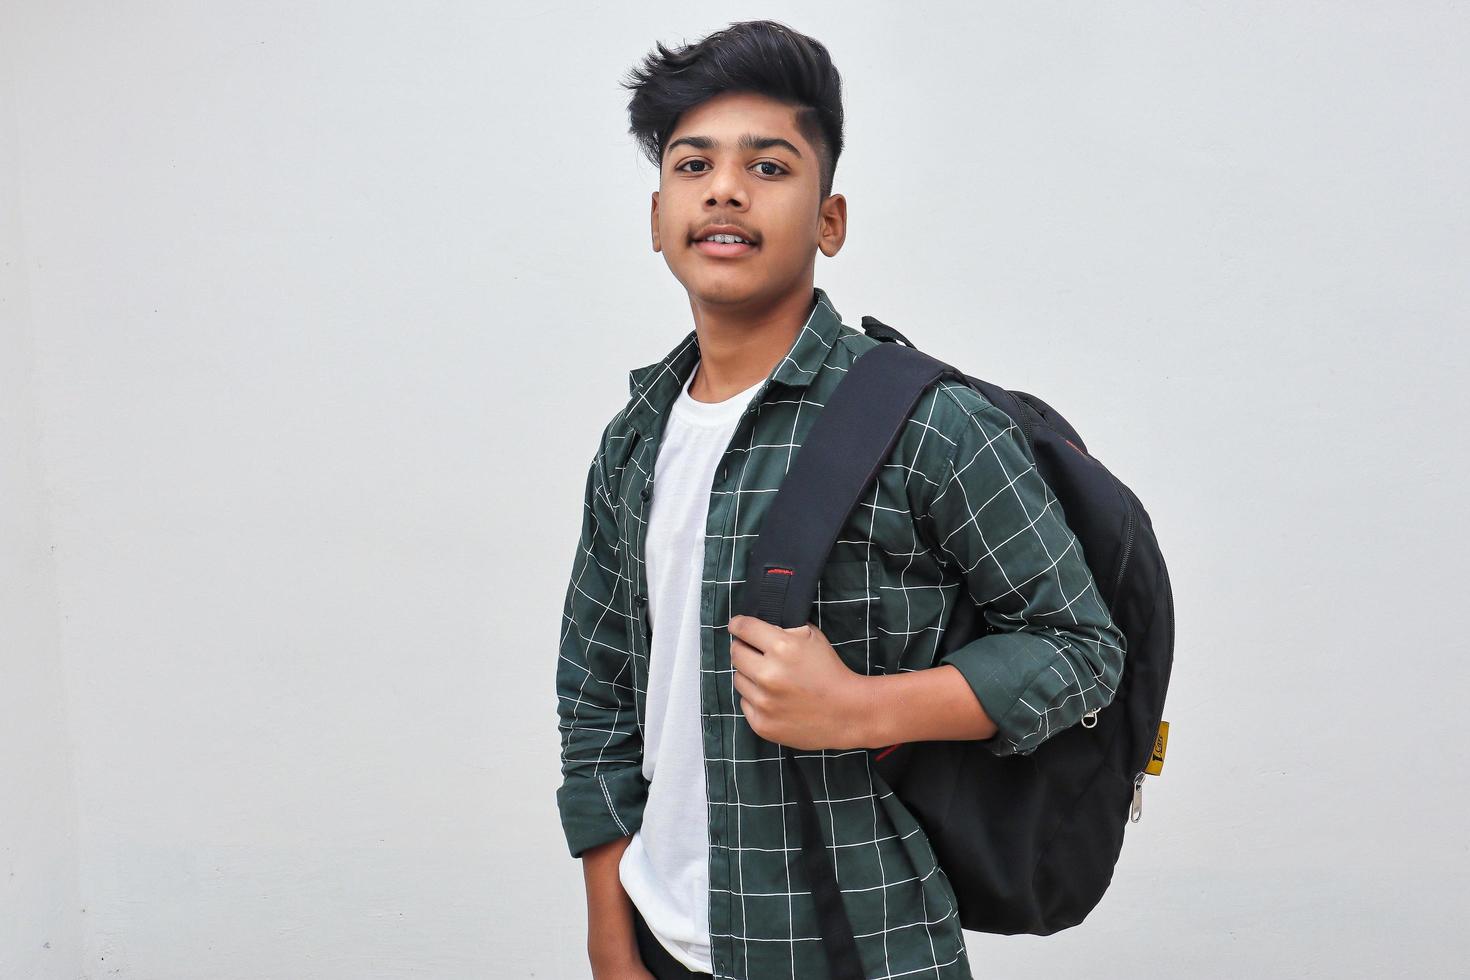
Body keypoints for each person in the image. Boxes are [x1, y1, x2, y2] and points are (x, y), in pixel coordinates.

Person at [554, 20, 1127, 980]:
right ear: (658, 218)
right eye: (694, 165)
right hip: (657, 933)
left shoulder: (926, 422)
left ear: (830, 220)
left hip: (855, 942)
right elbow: (598, 692)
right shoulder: (634, 439)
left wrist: (862, 708)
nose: (726, 188)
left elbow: (1080, 651)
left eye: (769, 166)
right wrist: (612, 932)